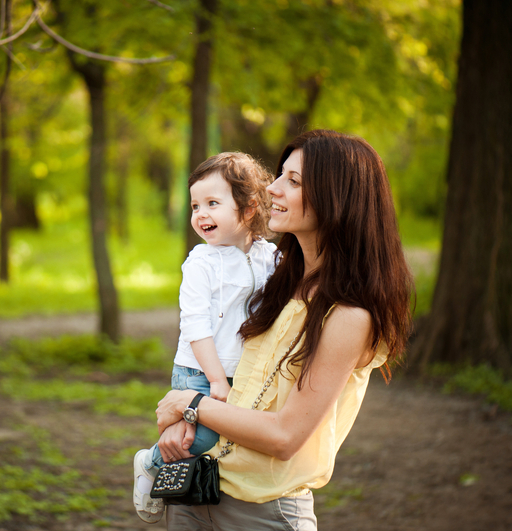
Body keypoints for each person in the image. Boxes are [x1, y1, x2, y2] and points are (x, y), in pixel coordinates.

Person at [154, 130, 414, 530]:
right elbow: (235, 379)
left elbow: (284, 437)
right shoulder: (274, 280)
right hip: (197, 487)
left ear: (336, 198)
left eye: (292, 181)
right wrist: (189, 420)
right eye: (280, 175)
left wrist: (189, 403)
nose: (271, 189)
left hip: (262, 510)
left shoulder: (348, 315)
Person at [133, 152, 278, 524]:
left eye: (213, 203)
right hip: (199, 369)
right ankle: (149, 464)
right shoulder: (201, 262)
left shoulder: (271, 256)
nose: (201, 214)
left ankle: (201, 500)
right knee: (199, 441)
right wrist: (214, 379)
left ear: (248, 209)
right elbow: (196, 326)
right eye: (196, 205)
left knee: (224, 440)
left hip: (239, 371)